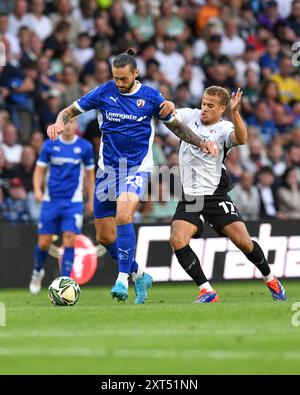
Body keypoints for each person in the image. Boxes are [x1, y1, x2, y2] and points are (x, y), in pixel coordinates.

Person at [46, 48, 217, 304]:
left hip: (136, 168)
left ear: (135, 74)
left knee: (124, 215)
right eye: (116, 78)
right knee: (104, 236)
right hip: (107, 170)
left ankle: (122, 279)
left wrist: (201, 142)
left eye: (123, 78)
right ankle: (140, 274)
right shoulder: (104, 92)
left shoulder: (150, 97)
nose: (119, 83)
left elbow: (177, 128)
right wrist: (58, 122)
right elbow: (69, 111)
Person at [170, 85, 286, 303]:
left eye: (210, 105)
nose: (204, 108)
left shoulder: (224, 128)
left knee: (243, 242)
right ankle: (207, 290)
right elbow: (171, 116)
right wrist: (166, 106)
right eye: (203, 103)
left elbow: (241, 139)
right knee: (177, 239)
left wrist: (236, 112)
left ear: (221, 109)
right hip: (191, 197)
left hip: (215, 195)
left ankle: (270, 278)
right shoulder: (189, 115)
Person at [29, 117, 95, 294]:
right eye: (65, 123)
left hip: (73, 202)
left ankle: (65, 281)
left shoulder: (85, 147)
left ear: (76, 126)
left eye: (72, 122)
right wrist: (37, 190)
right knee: (44, 243)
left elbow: (90, 175)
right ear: (59, 126)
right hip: (52, 200)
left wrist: (90, 200)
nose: (68, 126)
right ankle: (37, 271)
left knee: (69, 238)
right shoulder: (49, 145)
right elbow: (39, 170)